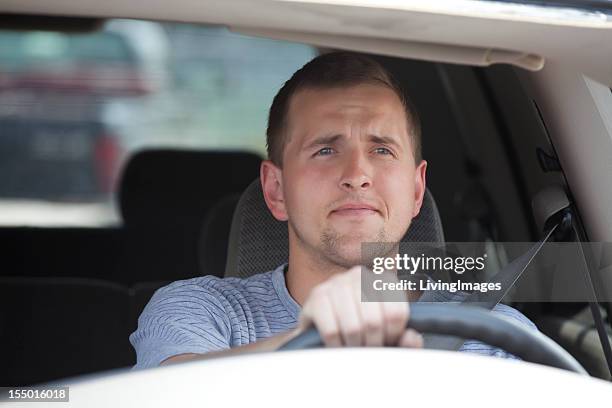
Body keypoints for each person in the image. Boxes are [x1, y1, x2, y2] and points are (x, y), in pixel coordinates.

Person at [130, 52, 535, 369]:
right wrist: (307, 341)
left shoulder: (496, 334)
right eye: (325, 149)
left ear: (416, 190)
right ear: (276, 190)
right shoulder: (205, 313)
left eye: (382, 149)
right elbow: (165, 394)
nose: (357, 174)